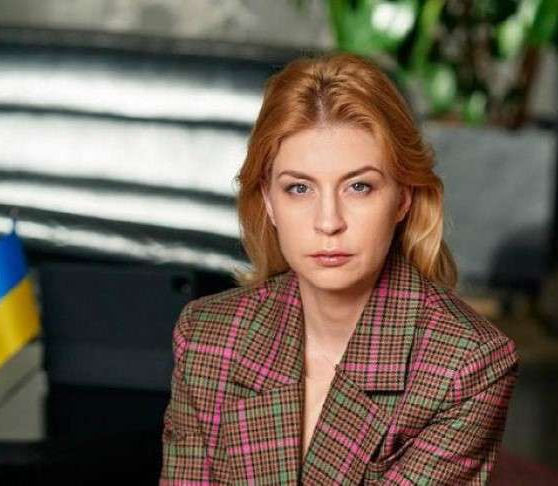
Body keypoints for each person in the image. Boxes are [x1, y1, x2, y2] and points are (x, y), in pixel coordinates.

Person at [160, 52, 519, 485]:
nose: (328, 221)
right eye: (299, 188)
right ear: (269, 201)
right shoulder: (208, 338)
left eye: (359, 187)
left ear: (403, 198)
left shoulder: (466, 366)